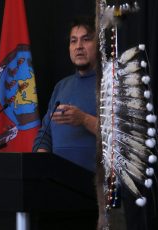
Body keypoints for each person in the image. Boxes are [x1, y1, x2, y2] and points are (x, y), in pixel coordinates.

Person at [32, 16, 98, 229]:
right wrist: (42, 166)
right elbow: (45, 135)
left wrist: (84, 119)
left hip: (93, 199)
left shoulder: (111, 84)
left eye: (86, 39)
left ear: (99, 43)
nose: (79, 46)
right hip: (56, 196)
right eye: (73, 41)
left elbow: (121, 137)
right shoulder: (61, 86)